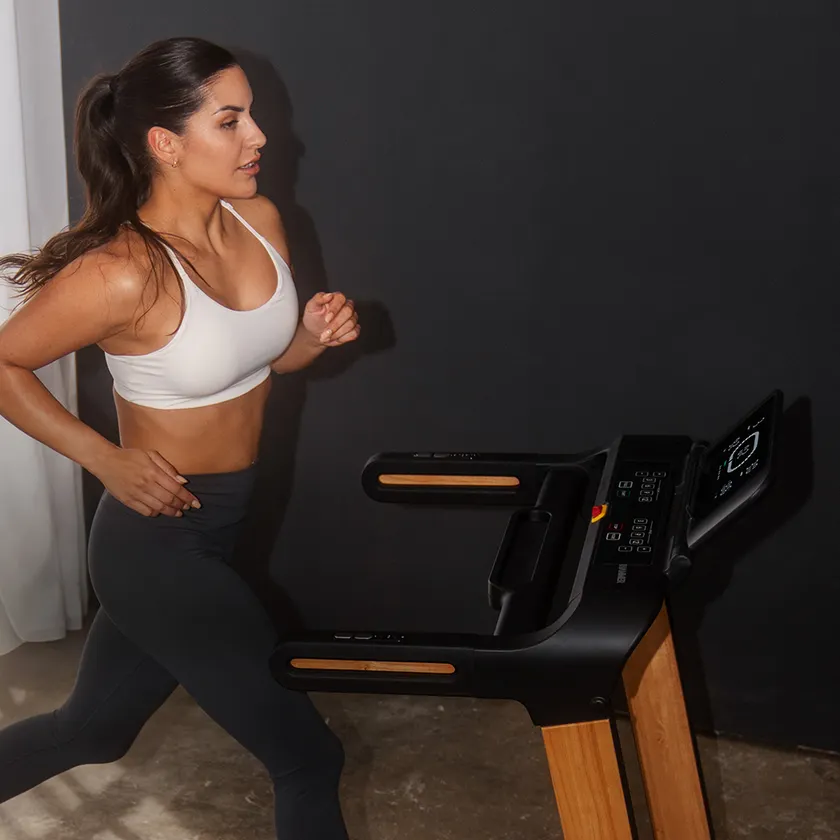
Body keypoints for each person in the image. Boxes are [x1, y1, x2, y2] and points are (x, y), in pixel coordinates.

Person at [0, 36, 357, 839]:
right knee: (307, 759)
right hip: (155, 546)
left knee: (92, 731)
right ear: (166, 144)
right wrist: (103, 457)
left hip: (225, 522)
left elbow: (266, 363)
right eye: (230, 121)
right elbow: (4, 363)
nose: (259, 136)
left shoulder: (260, 221)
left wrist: (310, 336)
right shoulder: (122, 271)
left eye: (251, 116)